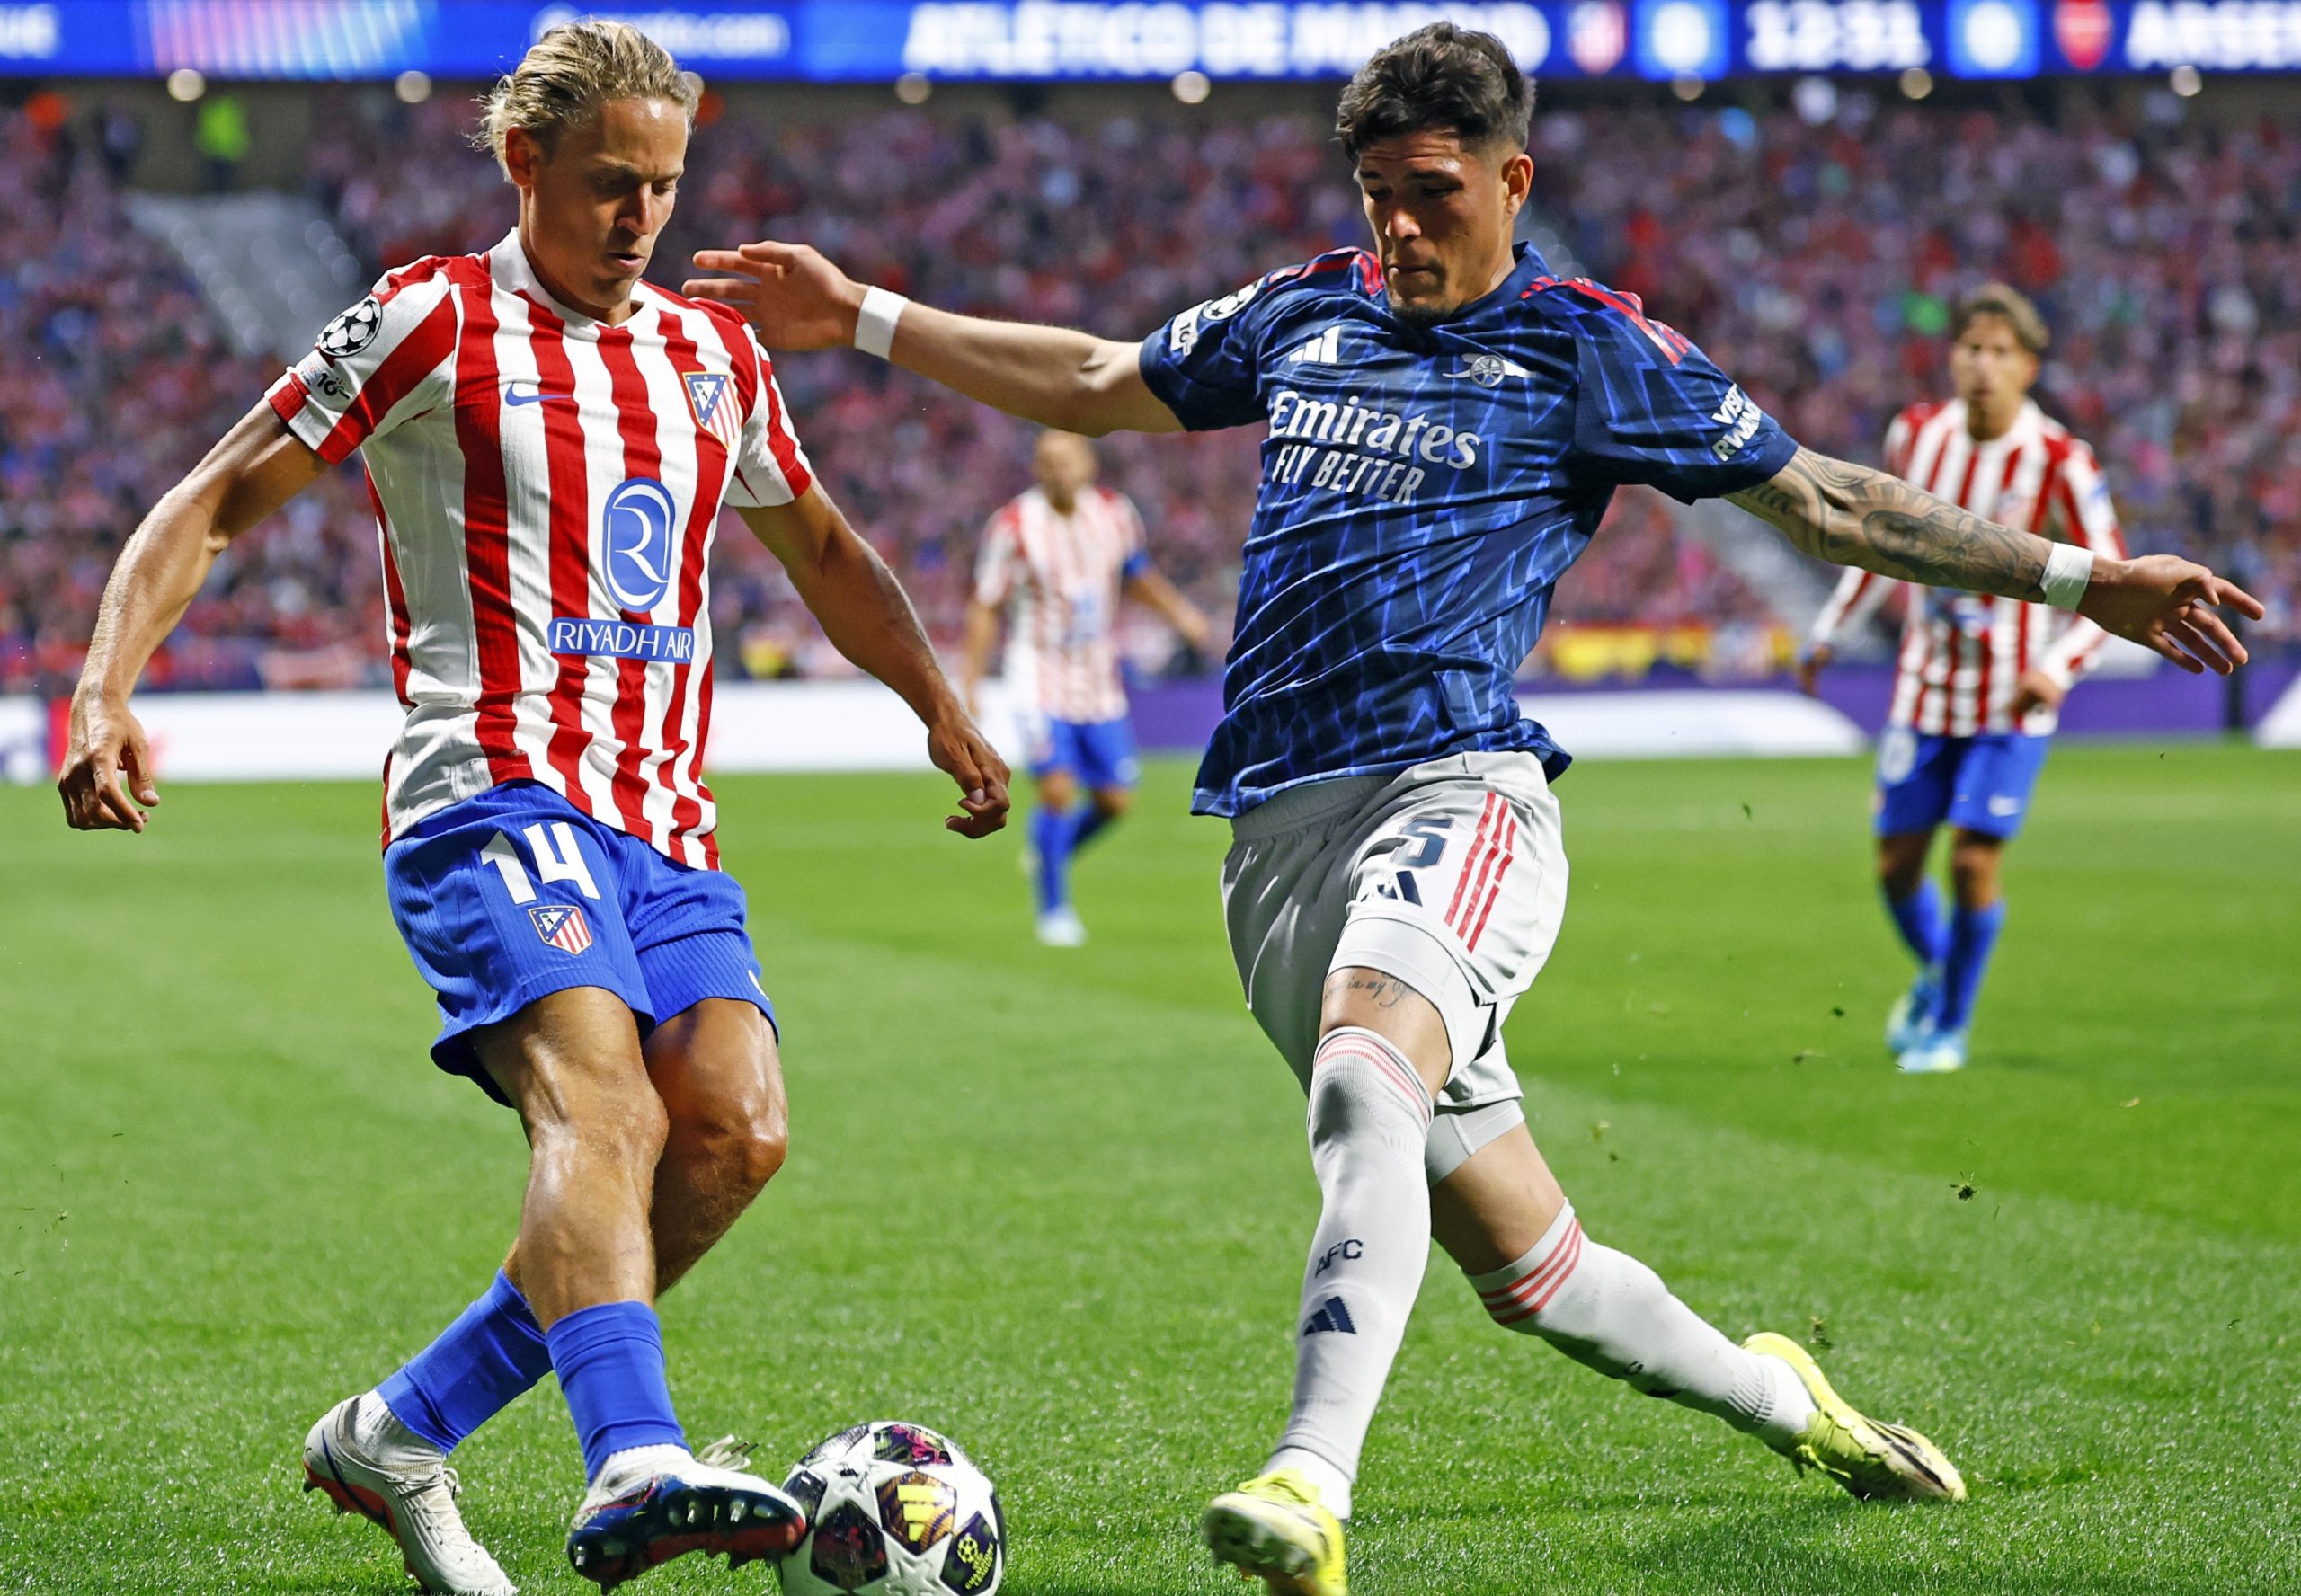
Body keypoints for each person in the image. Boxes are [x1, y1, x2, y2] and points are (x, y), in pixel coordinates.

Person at [688, 24, 2257, 1594]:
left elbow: (1827, 502)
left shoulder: (1587, 347)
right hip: (1272, 840)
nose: (1399, 226)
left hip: (1457, 790)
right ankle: (1793, 1404)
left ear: (1514, 180)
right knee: (1533, 1274)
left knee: (1363, 1080)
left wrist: (2085, 579)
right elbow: (1100, 382)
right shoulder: (1305, 309)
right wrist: (865, 317)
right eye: (1377, 192)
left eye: (1432, 192)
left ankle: (1308, 1482)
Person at [55, 23, 1007, 1595]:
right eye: (613, 181)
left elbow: (826, 548)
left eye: (666, 185)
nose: (643, 215)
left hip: (664, 822)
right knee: (604, 1105)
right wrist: (103, 687)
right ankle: (633, 1455)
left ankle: (399, 1430)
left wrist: (940, 704)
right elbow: (217, 496)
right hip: (489, 789)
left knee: (734, 1131)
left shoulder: (713, 355)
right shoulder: (431, 320)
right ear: (525, 161)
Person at [1799, 285, 2125, 1074]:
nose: (1983, 365)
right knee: (1895, 869)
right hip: (1924, 690)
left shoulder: (2060, 460)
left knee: (1974, 861)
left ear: (2029, 367)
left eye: (2000, 352)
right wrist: (1830, 630)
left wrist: (2054, 669)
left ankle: (1948, 1026)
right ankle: (1942, 977)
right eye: (1971, 348)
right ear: (1952, 358)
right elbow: (1878, 541)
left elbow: (2113, 584)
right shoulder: (1916, 436)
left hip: (2011, 699)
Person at [958, 429, 1209, 945]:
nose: (1058, 471)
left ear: (1089, 464)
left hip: (1097, 679)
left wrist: (1180, 612)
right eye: (1047, 462)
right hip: (1038, 675)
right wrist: (971, 681)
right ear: (1036, 468)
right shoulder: (1014, 526)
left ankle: (1048, 853)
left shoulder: (1115, 514)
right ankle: (1054, 910)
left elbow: (1135, 573)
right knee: (1056, 790)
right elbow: (986, 604)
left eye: (1067, 460)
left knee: (1115, 800)